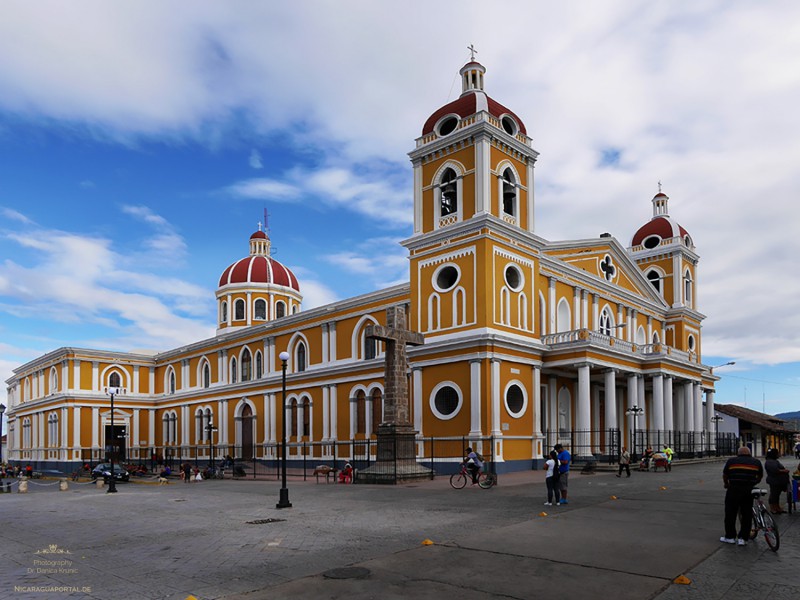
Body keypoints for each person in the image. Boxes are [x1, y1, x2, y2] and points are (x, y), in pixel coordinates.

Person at [721, 446, 763, 546]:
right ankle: (743, 538)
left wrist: (726, 484)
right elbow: (760, 476)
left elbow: (725, 474)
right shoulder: (756, 462)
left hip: (733, 490)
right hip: (748, 490)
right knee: (747, 514)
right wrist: (753, 482)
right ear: (749, 453)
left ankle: (730, 537)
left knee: (730, 514)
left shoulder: (731, 461)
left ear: (738, 453)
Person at [764, 448, 789, 514]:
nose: (778, 454)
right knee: (774, 494)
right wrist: (784, 471)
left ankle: (777, 507)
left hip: (778, 481)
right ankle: (772, 508)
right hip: (774, 481)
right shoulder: (770, 461)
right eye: (777, 453)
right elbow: (775, 470)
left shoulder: (774, 461)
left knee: (777, 494)